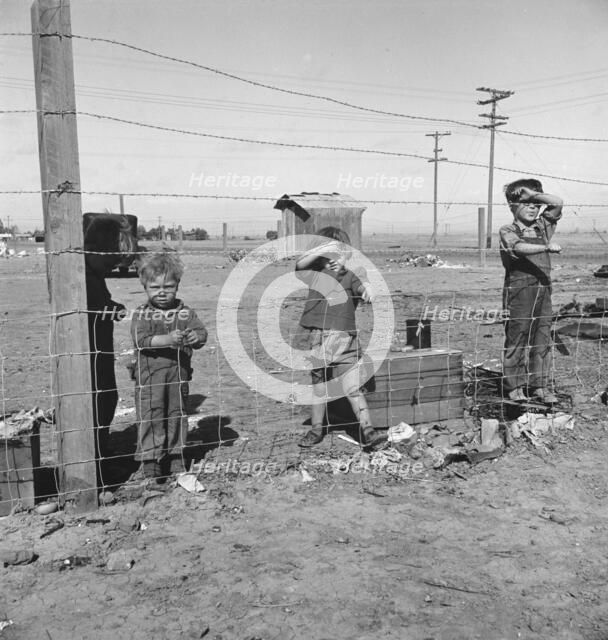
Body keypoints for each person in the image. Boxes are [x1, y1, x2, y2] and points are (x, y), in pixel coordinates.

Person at [295, 226, 385, 449]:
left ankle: (368, 430)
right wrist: (324, 249)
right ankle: (317, 429)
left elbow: (366, 289)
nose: (332, 260)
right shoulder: (315, 276)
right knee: (319, 387)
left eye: (339, 254)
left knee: (352, 387)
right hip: (317, 338)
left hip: (345, 339)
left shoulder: (352, 275)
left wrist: (368, 291)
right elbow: (300, 265)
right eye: (327, 255)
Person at [131, 251, 207, 482]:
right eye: (155, 287)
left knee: (177, 413)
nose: (162, 292)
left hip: (178, 375)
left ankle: (176, 454)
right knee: (151, 415)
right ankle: (150, 459)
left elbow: (201, 333)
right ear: (145, 287)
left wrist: (196, 337)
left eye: (168, 286)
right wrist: (168, 340)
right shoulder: (143, 314)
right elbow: (140, 341)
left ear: (177, 285)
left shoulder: (185, 312)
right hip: (150, 378)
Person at [499, 178, 563, 403]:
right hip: (519, 293)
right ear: (511, 205)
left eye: (536, 202)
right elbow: (517, 247)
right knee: (517, 339)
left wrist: (531, 195)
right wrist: (545, 247)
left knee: (542, 339)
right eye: (525, 203)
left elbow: (556, 203)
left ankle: (540, 386)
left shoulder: (542, 227)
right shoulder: (509, 229)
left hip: (544, 292)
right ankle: (514, 387)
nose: (533, 207)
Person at [84, 215, 137, 458]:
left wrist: (111, 306)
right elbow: (91, 308)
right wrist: (110, 309)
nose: (113, 268)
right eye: (111, 261)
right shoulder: (82, 279)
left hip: (101, 351)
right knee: (99, 400)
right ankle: (94, 451)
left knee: (107, 398)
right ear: (96, 250)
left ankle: (99, 446)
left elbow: (100, 304)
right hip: (89, 354)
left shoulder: (93, 276)